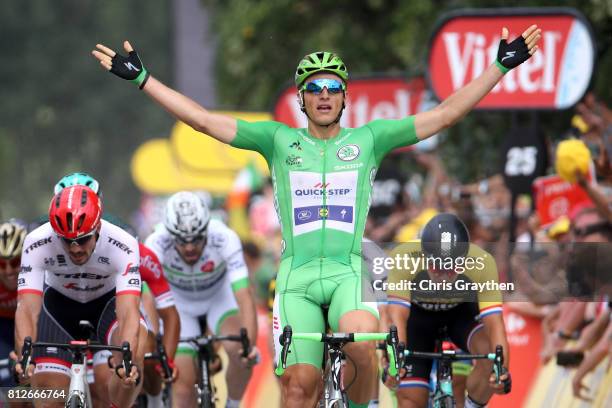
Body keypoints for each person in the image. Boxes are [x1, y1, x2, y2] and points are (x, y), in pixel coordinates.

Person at [92, 25, 540, 407]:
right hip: (298, 279)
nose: (323, 96)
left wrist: (499, 67)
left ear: (344, 98)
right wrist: (144, 79)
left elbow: (444, 116)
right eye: (313, 89)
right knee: (298, 387)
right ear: (302, 100)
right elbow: (205, 122)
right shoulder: (277, 140)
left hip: (348, 272)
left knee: (364, 341)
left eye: (332, 89)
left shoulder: (370, 139)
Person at [52, 171, 181, 408]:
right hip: (71, 316)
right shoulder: (47, 243)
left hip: (113, 314)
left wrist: (165, 359)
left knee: (112, 377)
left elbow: (161, 308)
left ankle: (154, 399)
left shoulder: (121, 240)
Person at [12, 186, 145, 407]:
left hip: (106, 305)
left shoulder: (123, 244)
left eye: (83, 239)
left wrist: (126, 358)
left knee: (132, 358)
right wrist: (24, 357)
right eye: (66, 241)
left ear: (98, 227)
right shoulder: (37, 242)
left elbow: (128, 310)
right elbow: (26, 307)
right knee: (48, 397)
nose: (75, 249)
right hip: (58, 307)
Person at [144, 191, 258, 408]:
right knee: (183, 386)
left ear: (206, 228)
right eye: (182, 240)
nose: (189, 247)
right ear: (169, 233)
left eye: (196, 239)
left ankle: (232, 405)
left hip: (219, 298)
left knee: (241, 353)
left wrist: (249, 345)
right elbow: (148, 297)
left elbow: (244, 294)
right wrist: (155, 337)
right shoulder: (156, 243)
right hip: (179, 306)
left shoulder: (224, 237)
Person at [386, 213, 511, 408]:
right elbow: (397, 317)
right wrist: (394, 363)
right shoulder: (405, 257)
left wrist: (501, 371)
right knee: (411, 401)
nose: (443, 276)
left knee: (491, 362)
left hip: (461, 316)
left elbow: (495, 325)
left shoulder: (482, 262)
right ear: (424, 256)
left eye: (451, 269)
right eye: (436, 267)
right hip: (418, 321)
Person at [0, 220, 26, 386]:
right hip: (2, 328)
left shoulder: (38, 273)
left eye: (15, 262)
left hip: (29, 325)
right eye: (2, 264)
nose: (9, 270)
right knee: (11, 385)